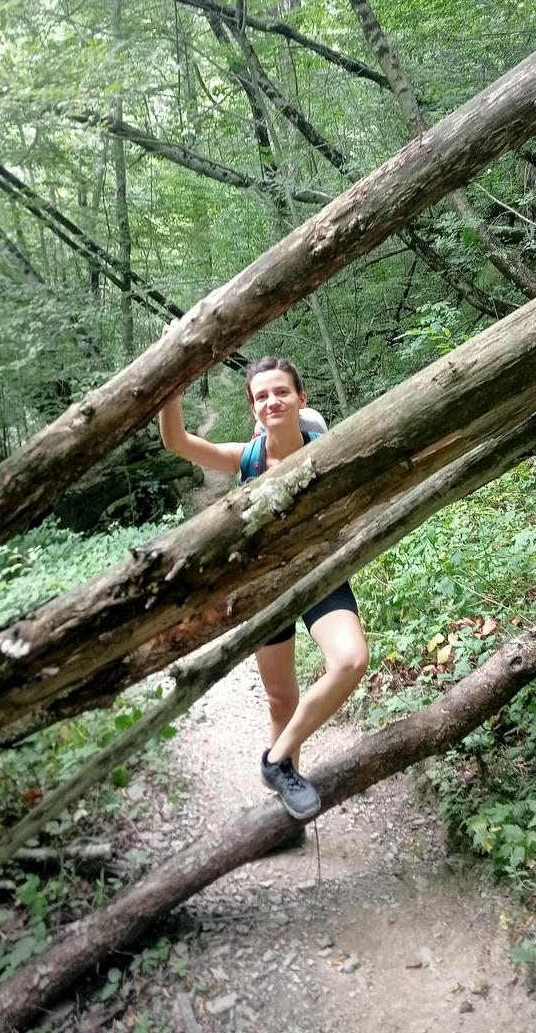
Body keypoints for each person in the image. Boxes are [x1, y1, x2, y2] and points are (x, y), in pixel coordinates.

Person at [158, 340, 368, 826]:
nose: (272, 401)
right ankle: (288, 804)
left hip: (321, 578)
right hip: (263, 588)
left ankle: (276, 762)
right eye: (262, 396)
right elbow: (177, 442)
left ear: (300, 398)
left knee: (351, 659)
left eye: (281, 392)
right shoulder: (246, 459)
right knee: (281, 700)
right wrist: (172, 377)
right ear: (253, 407)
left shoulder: (331, 450)